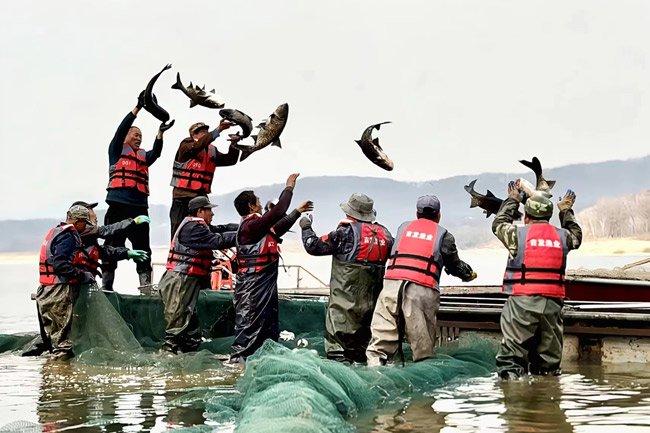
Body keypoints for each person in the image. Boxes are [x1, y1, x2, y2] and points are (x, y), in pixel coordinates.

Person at [366, 195, 477, 366]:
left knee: (381, 338)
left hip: (391, 285)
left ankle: (375, 369)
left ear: (416, 213)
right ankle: (423, 374)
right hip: (421, 288)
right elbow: (455, 265)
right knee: (421, 343)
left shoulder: (403, 228)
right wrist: (468, 274)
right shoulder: (444, 235)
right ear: (438, 215)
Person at [492, 181, 582, 379]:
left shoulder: (516, 234)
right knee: (548, 363)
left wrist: (513, 200)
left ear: (526, 216)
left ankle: (514, 394)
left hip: (522, 302)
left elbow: (498, 224)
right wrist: (566, 212)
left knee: (512, 359)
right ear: (548, 217)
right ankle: (548, 396)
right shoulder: (564, 236)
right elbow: (577, 236)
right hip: (552, 304)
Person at [300, 193, 393, 363]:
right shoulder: (385, 235)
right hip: (370, 313)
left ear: (351, 213)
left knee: (338, 355)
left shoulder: (345, 232)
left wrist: (306, 226)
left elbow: (312, 246)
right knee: (362, 355)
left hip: (343, 313)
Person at [230, 173, 313, 362]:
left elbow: (278, 228)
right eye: (258, 201)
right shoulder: (250, 226)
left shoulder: (256, 226)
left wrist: (297, 211)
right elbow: (278, 212)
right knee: (250, 325)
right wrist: (289, 187)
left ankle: (260, 359)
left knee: (266, 324)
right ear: (251, 206)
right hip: (253, 287)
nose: (260, 204)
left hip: (263, 284)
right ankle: (239, 362)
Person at [103, 94, 174, 290]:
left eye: (141, 135)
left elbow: (156, 153)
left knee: (143, 250)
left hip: (140, 210)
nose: (139, 137)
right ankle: (107, 288)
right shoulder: (116, 150)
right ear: (126, 136)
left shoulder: (143, 157)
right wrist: (137, 108)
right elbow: (121, 130)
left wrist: (160, 133)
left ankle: (145, 289)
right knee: (112, 247)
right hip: (118, 207)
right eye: (135, 134)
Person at [159, 196, 238, 353]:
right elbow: (217, 240)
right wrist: (245, 236)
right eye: (209, 210)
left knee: (190, 328)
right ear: (200, 211)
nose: (212, 214)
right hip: (179, 281)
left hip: (186, 280)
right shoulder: (193, 228)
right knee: (176, 324)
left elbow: (222, 229)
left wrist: (248, 227)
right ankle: (167, 361)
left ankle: (186, 354)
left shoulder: (197, 226)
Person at [36, 205, 96, 360]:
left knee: (54, 335)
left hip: (45, 289)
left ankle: (50, 376)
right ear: (78, 221)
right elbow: (61, 264)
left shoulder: (55, 232)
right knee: (63, 341)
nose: (84, 228)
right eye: (84, 224)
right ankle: (61, 371)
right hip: (58, 290)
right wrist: (82, 276)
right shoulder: (69, 236)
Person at [169, 120, 242, 237]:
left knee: (204, 230)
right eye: (200, 132)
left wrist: (234, 144)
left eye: (205, 131)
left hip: (201, 198)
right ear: (193, 135)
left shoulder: (212, 151)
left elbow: (230, 160)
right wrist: (218, 130)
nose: (204, 133)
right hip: (182, 198)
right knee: (178, 232)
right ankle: (176, 253)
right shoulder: (185, 145)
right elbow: (198, 146)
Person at [71, 201, 150, 284]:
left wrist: (127, 253)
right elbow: (107, 230)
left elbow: (105, 252)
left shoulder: (88, 240)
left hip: (82, 282)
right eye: (90, 210)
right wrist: (132, 222)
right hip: (71, 284)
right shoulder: (78, 233)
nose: (95, 215)